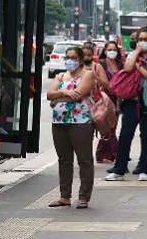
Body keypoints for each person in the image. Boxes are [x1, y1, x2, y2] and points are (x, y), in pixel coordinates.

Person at [106, 26, 147, 182]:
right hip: (132, 101)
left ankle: (143, 168)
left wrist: (139, 67)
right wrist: (137, 53)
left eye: (146, 39)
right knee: (125, 134)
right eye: (140, 39)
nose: (143, 42)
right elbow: (127, 68)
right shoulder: (132, 55)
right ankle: (119, 169)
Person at [46, 46, 96, 209]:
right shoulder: (61, 75)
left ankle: (83, 197)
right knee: (64, 160)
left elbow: (79, 94)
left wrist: (57, 99)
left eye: (73, 57)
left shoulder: (87, 74)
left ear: (80, 59)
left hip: (80, 122)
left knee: (84, 160)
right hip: (59, 122)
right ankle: (64, 196)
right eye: (67, 57)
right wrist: (67, 94)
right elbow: (49, 94)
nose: (69, 60)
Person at [95, 41, 123, 164]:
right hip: (105, 98)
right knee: (108, 127)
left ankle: (105, 154)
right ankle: (118, 153)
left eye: (114, 49)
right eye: (109, 49)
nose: (112, 52)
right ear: (105, 51)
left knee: (112, 127)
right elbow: (103, 82)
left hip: (117, 98)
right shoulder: (101, 64)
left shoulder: (120, 64)